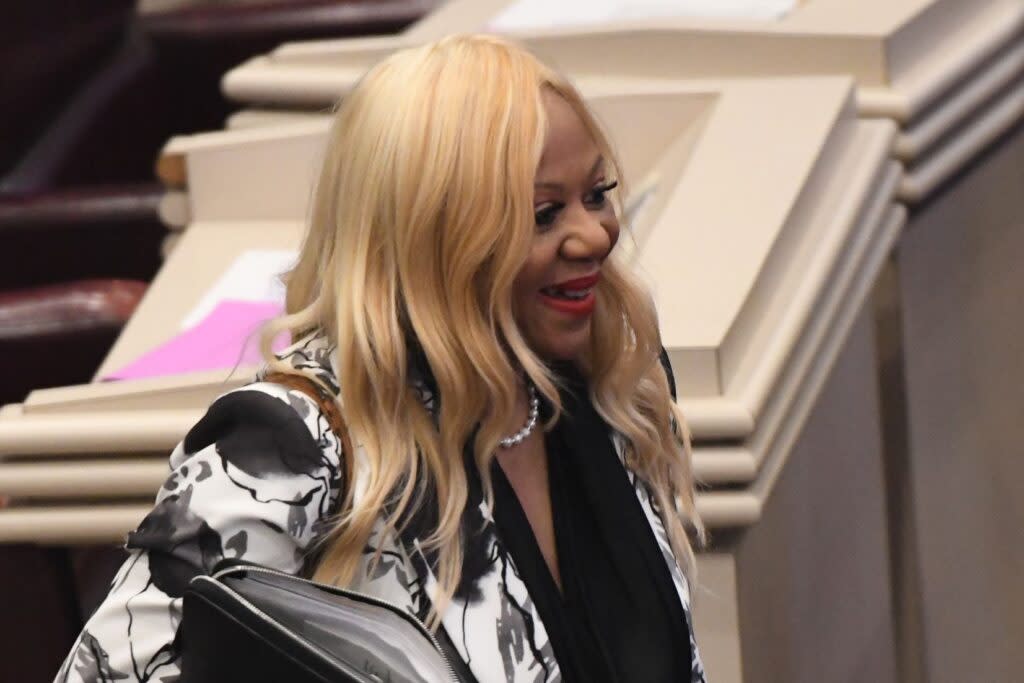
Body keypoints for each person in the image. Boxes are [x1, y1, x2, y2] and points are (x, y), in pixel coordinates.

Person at [56, 34, 707, 683]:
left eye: (597, 193)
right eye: (543, 213)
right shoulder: (295, 441)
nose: (595, 234)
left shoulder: (602, 380)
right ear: (436, 233)